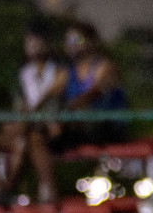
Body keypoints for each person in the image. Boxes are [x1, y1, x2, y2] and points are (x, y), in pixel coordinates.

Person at [0, 26, 66, 205]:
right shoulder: (24, 73)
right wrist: (17, 121)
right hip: (27, 128)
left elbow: (50, 100)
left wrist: (26, 118)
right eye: (29, 41)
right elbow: (21, 106)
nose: (32, 46)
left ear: (47, 44)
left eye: (36, 41)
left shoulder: (59, 71)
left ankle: (44, 191)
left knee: (26, 141)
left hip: (50, 129)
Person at [53, 23, 128, 154]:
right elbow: (48, 95)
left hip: (106, 128)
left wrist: (69, 110)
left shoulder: (104, 67)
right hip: (77, 128)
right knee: (37, 136)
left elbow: (94, 92)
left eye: (77, 39)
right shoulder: (67, 73)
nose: (72, 44)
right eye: (68, 40)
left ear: (91, 41)